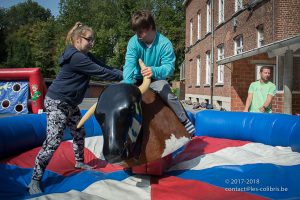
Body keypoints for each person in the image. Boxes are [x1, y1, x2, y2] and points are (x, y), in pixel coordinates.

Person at [28, 22, 123, 195]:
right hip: (57, 102)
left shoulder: (84, 54)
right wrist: (122, 76)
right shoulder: (76, 57)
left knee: (79, 132)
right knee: (53, 142)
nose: (92, 43)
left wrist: (125, 72)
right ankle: (34, 179)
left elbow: (105, 67)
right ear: (78, 39)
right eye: (89, 39)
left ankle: (79, 162)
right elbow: (100, 72)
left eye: (93, 39)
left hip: (70, 104)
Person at [123, 10, 195, 136]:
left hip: (156, 78)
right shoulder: (133, 42)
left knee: (169, 95)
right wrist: (126, 85)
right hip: (136, 78)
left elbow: (169, 68)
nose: (137, 35)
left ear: (150, 27)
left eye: (140, 31)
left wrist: (153, 70)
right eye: (136, 31)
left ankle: (185, 121)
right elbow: (129, 65)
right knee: (119, 91)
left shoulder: (165, 43)